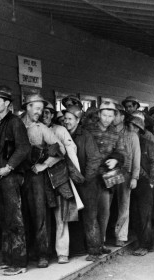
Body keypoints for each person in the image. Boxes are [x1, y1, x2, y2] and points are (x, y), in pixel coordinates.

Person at [0, 85, 31, 276]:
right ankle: (7, 259)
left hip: (10, 177)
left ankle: (19, 261)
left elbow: (23, 148)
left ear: (7, 103)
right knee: (4, 219)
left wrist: (9, 167)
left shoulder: (14, 122)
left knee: (15, 218)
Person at [20, 94, 65, 268]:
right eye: (37, 108)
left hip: (35, 176)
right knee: (21, 215)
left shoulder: (41, 128)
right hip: (17, 175)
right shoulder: (16, 124)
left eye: (42, 109)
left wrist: (44, 165)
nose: (40, 112)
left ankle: (42, 254)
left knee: (40, 214)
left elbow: (60, 150)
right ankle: (25, 253)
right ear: (28, 107)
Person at [42, 102, 83, 264]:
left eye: (48, 113)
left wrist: (75, 175)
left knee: (61, 216)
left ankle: (62, 252)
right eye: (42, 112)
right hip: (40, 177)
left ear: (52, 115)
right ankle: (44, 252)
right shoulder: (31, 128)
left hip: (59, 177)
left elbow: (71, 151)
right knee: (42, 217)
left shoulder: (60, 130)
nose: (44, 115)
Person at [63, 106, 103, 261]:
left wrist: (85, 178)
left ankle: (94, 251)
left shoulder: (85, 135)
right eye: (65, 119)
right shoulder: (64, 135)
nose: (67, 122)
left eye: (70, 119)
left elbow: (95, 159)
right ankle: (78, 248)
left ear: (78, 120)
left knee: (90, 217)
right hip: (71, 182)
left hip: (87, 184)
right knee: (74, 216)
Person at [85, 101, 124, 254]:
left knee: (105, 211)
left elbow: (121, 152)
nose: (107, 119)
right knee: (90, 211)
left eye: (110, 115)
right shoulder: (88, 130)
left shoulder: (115, 133)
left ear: (114, 116)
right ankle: (91, 245)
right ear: (99, 114)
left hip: (107, 177)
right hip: (90, 175)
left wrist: (116, 159)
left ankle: (101, 243)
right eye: (104, 115)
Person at [128, 115, 154, 257]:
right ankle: (143, 242)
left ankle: (146, 245)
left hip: (145, 182)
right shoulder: (127, 142)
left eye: (131, 126)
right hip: (132, 182)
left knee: (145, 215)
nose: (128, 128)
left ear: (137, 129)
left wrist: (152, 181)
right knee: (135, 214)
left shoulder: (148, 144)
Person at [113, 104, 141, 247]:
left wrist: (135, 177)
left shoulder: (131, 135)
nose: (112, 117)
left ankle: (120, 235)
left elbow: (137, 157)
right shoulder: (107, 132)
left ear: (122, 117)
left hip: (125, 174)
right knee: (108, 206)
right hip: (108, 174)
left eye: (115, 114)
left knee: (124, 206)